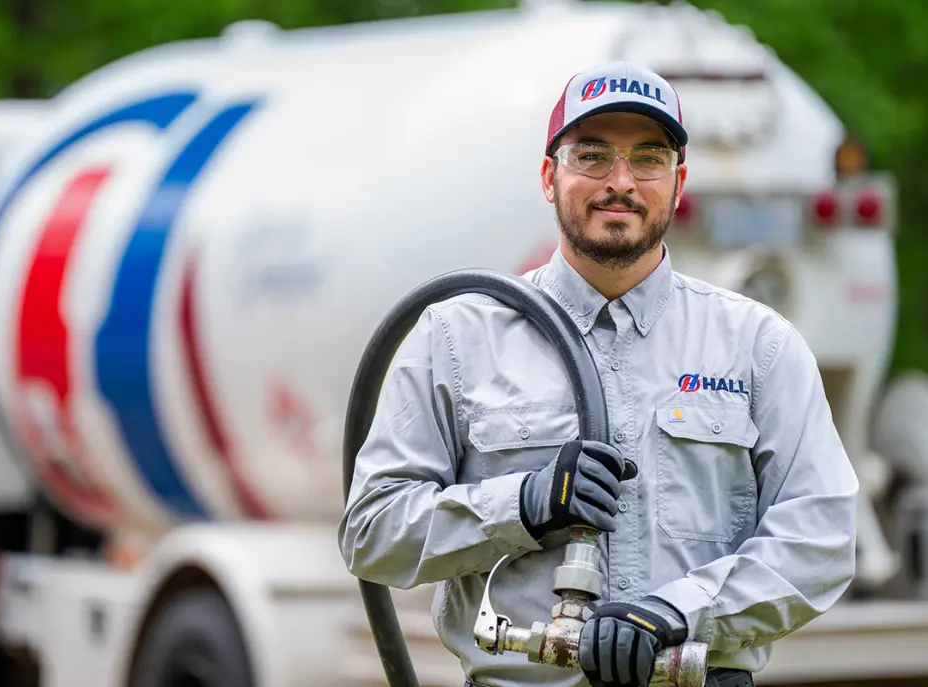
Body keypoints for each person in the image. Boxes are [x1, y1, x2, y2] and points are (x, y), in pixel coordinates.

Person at [338, 61, 858, 687]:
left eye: (649, 157)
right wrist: (522, 505)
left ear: (678, 180)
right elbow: (371, 532)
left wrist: (678, 612)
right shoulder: (457, 337)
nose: (621, 182)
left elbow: (820, 540)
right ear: (548, 176)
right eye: (592, 156)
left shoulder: (756, 345)